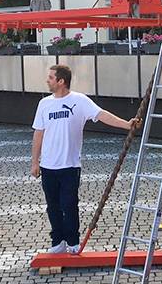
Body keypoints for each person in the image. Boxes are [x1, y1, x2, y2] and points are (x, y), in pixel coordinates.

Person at [31, 65, 140, 254]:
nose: (47, 80)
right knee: (53, 206)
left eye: (51, 77)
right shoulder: (44, 104)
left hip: (70, 166)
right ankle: (57, 242)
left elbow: (102, 115)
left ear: (61, 81)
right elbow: (38, 134)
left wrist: (126, 125)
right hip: (48, 166)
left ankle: (73, 242)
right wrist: (35, 162)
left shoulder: (79, 101)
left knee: (69, 204)